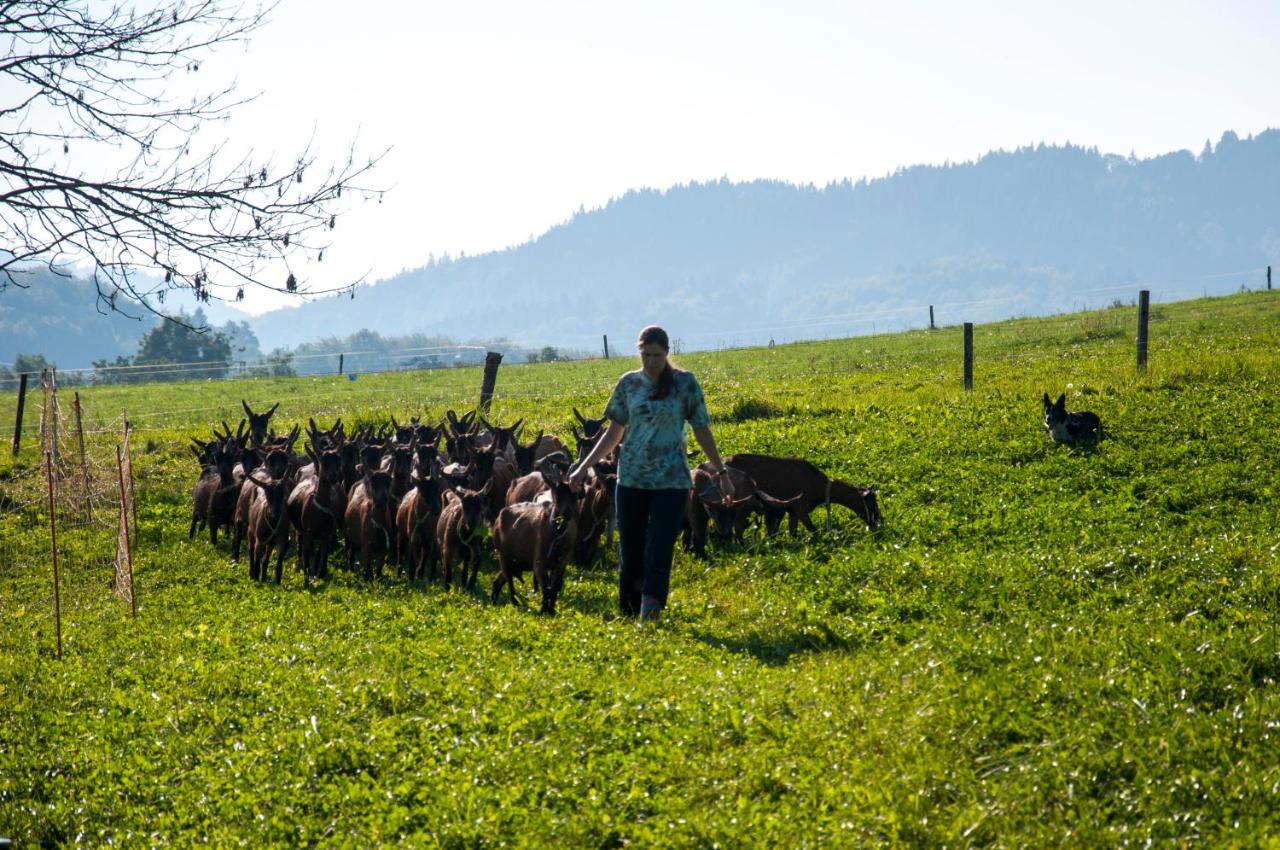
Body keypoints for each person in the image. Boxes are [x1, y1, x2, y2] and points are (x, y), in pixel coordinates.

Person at [568, 325, 733, 621]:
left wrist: (720, 470)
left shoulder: (685, 384)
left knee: (658, 548)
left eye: (657, 355)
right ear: (639, 351)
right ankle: (628, 610)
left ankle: (651, 607)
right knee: (630, 551)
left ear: (667, 353)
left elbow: (701, 429)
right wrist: (583, 466)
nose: (652, 361)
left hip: (672, 482)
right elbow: (614, 432)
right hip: (631, 480)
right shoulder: (628, 384)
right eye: (646, 354)